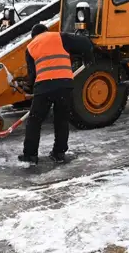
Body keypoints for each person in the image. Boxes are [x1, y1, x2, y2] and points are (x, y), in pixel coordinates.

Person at [19, 23, 93, 165]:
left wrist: (32, 90)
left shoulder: (30, 47)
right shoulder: (59, 36)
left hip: (44, 87)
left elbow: (32, 75)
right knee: (61, 120)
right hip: (65, 85)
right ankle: (59, 153)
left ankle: (30, 155)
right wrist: (87, 58)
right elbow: (85, 43)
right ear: (46, 31)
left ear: (33, 36)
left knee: (35, 121)